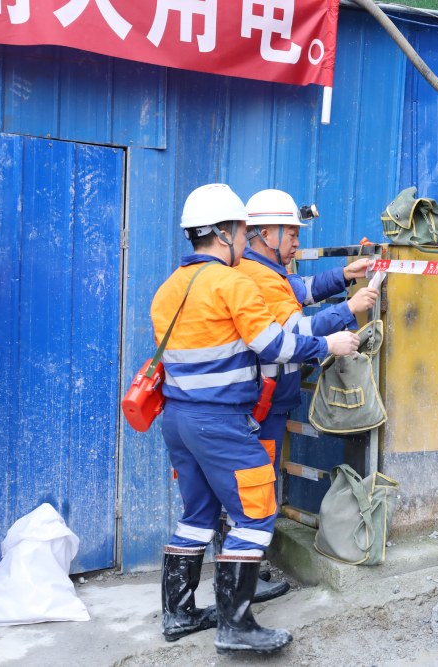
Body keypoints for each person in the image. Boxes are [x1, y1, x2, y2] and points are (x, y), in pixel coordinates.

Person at [150, 183, 359, 654]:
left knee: (198, 513)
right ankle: (236, 626)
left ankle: (178, 613)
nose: (246, 242)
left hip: (178, 419)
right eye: (243, 232)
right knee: (257, 511)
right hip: (220, 422)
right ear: (223, 233)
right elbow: (275, 346)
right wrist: (328, 343)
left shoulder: (169, 289)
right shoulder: (232, 283)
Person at [233, 188, 378, 600]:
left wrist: (345, 275)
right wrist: (350, 309)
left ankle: (246, 572)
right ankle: (243, 582)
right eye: (291, 233)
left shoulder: (267, 269)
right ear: (265, 233)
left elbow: (302, 289)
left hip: (268, 401)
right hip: (261, 404)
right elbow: (297, 331)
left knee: (255, 484)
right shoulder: (258, 276)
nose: (297, 241)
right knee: (256, 487)